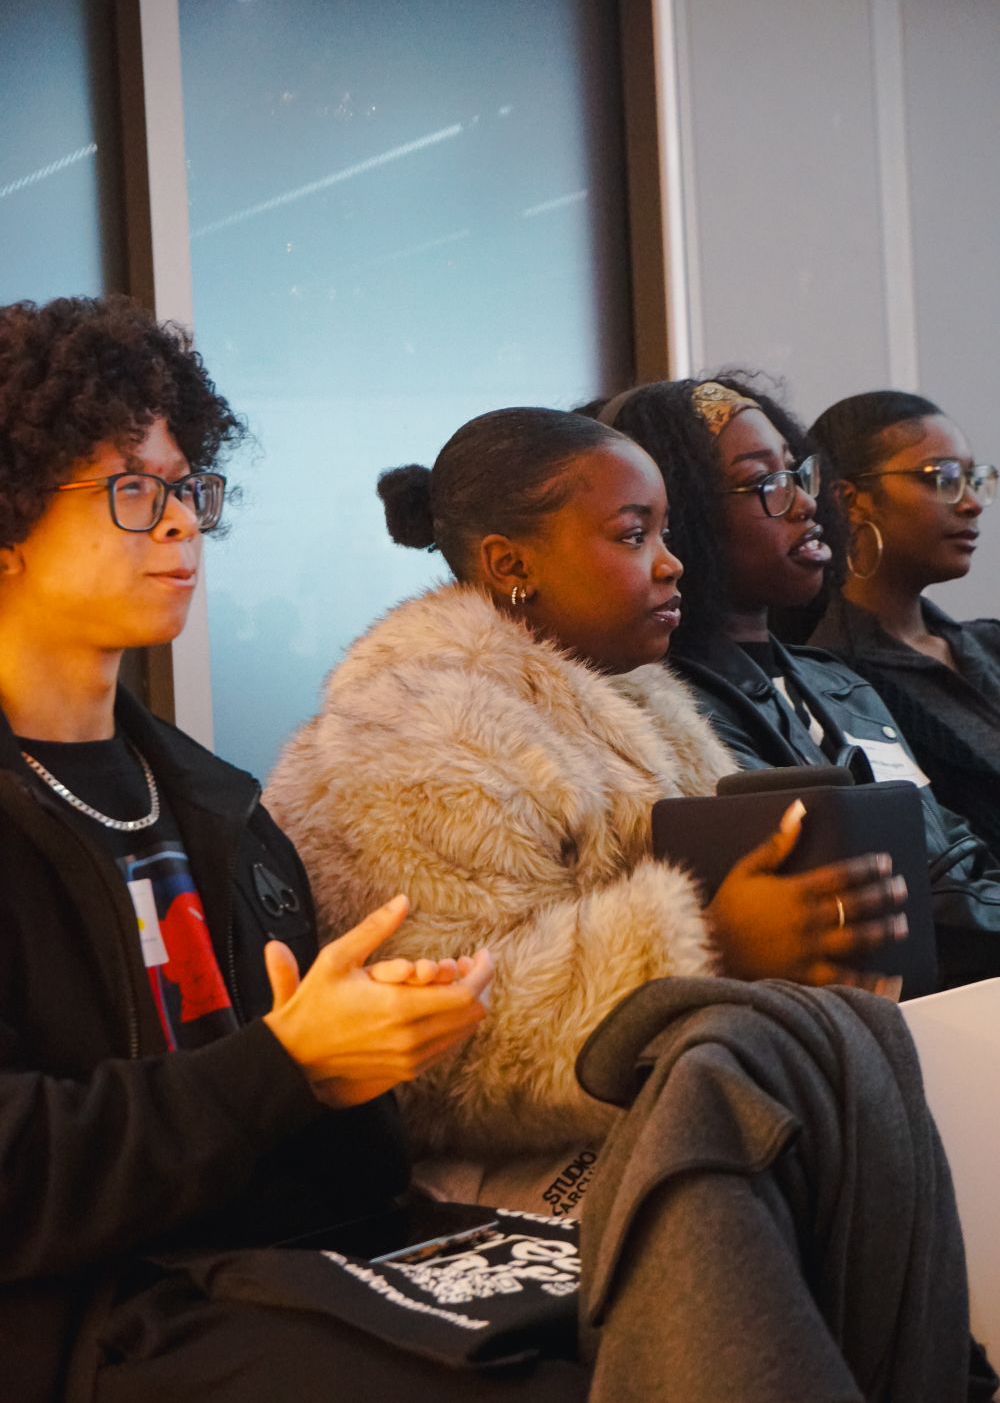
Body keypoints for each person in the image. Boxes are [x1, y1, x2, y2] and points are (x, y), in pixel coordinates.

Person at [0, 297, 571, 1403]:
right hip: (83, 1321)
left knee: (680, 1309)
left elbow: (329, 1171)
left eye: (188, 489)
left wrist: (356, 1058)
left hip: (272, 1272)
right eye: (133, 491)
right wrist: (286, 1064)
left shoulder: (217, 806)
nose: (181, 526)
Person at [266, 404, 908, 1188]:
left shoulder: (636, 694)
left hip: (689, 1115)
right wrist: (712, 943)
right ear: (511, 565)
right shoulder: (416, 729)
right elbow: (452, 1058)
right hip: (513, 1185)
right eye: (633, 536)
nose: (671, 564)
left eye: (666, 533)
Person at [591, 377, 1000, 991]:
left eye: (799, 473)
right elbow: (873, 899)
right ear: (681, 515)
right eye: (766, 483)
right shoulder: (668, 706)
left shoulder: (834, 679)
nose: (805, 503)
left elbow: (955, 856)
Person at [807, 390, 1000, 860]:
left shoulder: (990, 642)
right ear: (850, 501)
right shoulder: (832, 685)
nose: (971, 503)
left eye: (973, 479)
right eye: (942, 478)